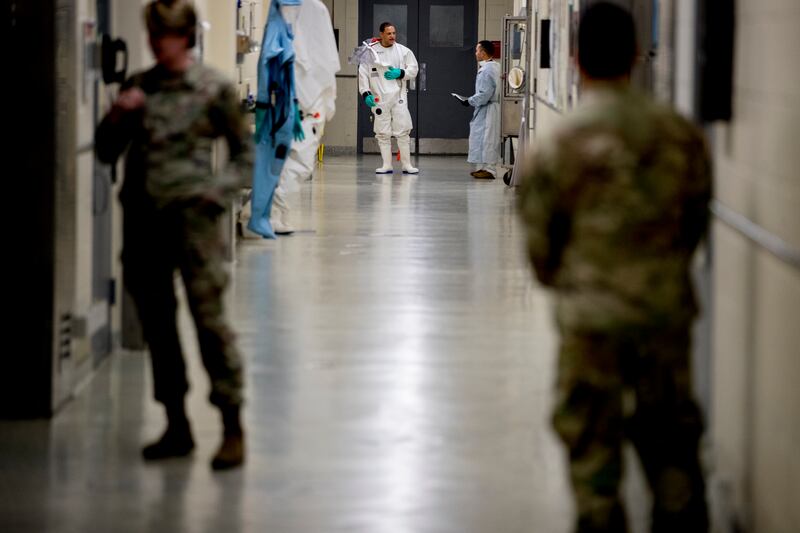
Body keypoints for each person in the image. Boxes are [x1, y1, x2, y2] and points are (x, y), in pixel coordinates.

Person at [518, 3, 711, 531]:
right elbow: (695, 224)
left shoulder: (555, 144)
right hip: (663, 314)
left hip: (590, 321)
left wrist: (583, 283)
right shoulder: (679, 135)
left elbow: (541, 252)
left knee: (593, 456)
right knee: (673, 451)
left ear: (576, 59)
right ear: (634, 55)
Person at [95, 0, 251, 470]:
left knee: (209, 323)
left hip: (194, 224)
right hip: (145, 225)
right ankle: (176, 424)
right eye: (152, 37)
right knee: (159, 329)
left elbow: (245, 157)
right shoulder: (139, 87)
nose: (156, 46)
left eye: (164, 38)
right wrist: (119, 116)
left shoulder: (213, 89)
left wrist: (215, 192)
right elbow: (105, 152)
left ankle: (231, 425)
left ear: (184, 38)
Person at [268, 0, 340, 234]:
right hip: (306, 99)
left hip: (293, 96)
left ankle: (273, 212)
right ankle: (272, 214)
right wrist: (325, 100)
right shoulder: (310, 9)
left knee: (287, 159)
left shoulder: (287, 8)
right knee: (298, 162)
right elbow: (323, 60)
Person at [358, 22, 419, 174]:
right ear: (381, 35)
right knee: (382, 132)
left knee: (403, 131)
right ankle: (387, 165)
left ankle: (407, 165)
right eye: (389, 33)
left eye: (394, 33)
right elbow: (363, 74)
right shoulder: (370, 52)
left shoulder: (403, 51)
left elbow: (414, 68)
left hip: (398, 97)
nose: (392, 36)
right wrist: (366, 93)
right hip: (379, 98)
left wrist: (401, 72)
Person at [463, 40, 501, 179]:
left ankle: (489, 169)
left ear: (483, 53)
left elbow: (485, 94)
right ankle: (484, 167)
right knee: (484, 138)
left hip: (488, 108)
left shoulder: (487, 70)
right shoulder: (495, 67)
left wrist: (469, 101)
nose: (476, 53)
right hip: (489, 108)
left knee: (487, 138)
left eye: (477, 50)